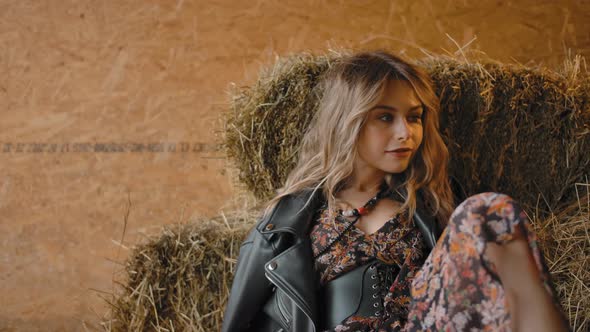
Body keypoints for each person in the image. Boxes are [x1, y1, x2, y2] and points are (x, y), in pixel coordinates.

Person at [221, 51, 570, 332]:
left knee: (492, 211)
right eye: (385, 118)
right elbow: (240, 322)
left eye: (415, 117)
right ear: (348, 121)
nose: (406, 133)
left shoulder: (435, 202)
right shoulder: (284, 222)